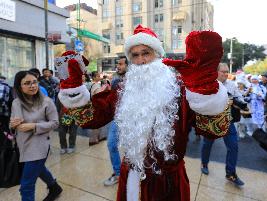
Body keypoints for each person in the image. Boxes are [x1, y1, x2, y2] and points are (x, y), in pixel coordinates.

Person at [55, 25, 230, 201]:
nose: (140, 60)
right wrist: (73, 89)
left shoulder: (180, 88)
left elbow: (213, 130)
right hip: (131, 176)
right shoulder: (124, 88)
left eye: (145, 53)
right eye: (135, 55)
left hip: (167, 183)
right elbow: (91, 118)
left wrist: (205, 91)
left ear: (158, 54)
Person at [9, 71, 62, 201]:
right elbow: (14, 124)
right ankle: (54, 187)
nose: (32, 86)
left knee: (26, 186)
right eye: (27, 83)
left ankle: (54, 188)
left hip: (39, 147)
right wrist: (12, 125)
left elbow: (55, 123)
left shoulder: (47, 102)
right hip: (23, 145)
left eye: (34, 82)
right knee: (40, 169)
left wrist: (34, 126)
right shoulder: (16, 102)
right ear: (19, 86)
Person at [200, 63, 245, 187]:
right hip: (212, 121)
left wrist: (241, 103)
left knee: (233, 146)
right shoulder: (208, 84)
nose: (226, 74)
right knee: (207, 144)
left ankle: (230, 173)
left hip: (227, 121)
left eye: (227, 72)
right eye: (223, 71)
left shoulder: (231, 84)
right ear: (216, 72)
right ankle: (204, 164)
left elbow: (239, 97)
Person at [104, 56, 128, 186]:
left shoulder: (136, 79)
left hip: (133, 119)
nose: (118, 66)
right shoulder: (115, 80)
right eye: (117, 64)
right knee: (111, 144)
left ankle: (133, 173)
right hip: (117, 118)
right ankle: (118, 173)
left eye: (121, 64)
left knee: (132, 148)